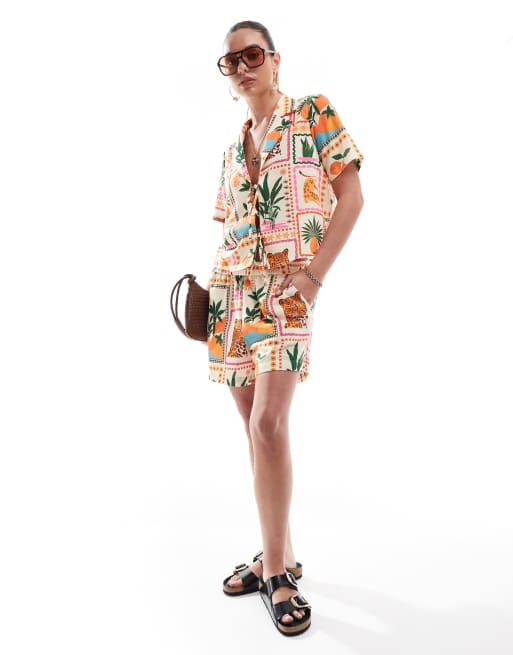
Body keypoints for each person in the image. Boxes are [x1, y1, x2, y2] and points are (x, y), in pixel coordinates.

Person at [207, 20, 364, 636]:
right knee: (254, 429)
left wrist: (314, 277)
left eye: (252, 55)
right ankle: (281, 554)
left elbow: (351, 197)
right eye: (231, 61)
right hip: (232, 297)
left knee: (269, 424)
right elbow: (229, 230)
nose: (243, 67)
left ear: (275, 59)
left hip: (287, 293)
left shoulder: (312, 114)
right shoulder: (231, 151)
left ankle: (275, 574)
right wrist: (211, 301)